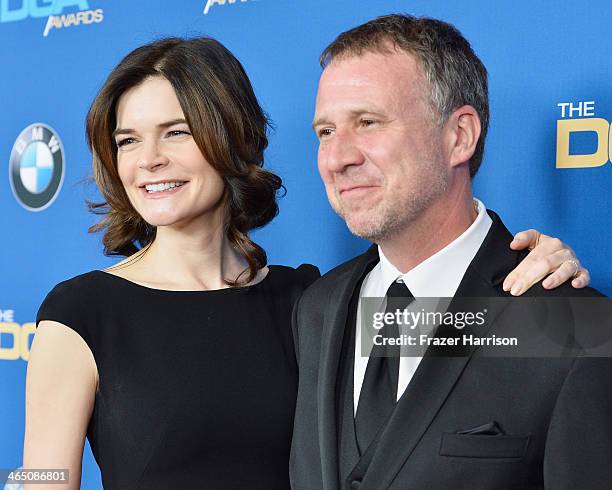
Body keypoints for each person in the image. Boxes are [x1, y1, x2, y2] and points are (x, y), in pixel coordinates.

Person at [24, 35, 586, 490]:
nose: (148, 160)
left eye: (176, 132)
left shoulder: (309, 303)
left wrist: (546, 272)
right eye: (126, 141)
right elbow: (42, 474)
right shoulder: (82, 311)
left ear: (230, 138)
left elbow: (454, 353)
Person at [290, 14, 611, 490]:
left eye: (368, 122)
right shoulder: (316, 308)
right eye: (326, 132)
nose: (337, 158)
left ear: (459, 135)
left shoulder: (569, 327)